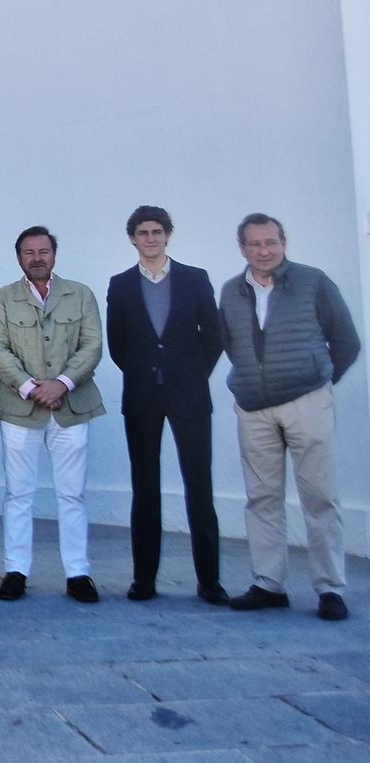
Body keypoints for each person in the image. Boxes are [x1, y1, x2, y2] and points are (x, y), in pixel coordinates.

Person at [220, 213, 360, 621]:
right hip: (254, 408)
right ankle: (268, 583)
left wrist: (317, 377)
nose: (264, 250)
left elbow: (346, 340)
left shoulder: (313, 282)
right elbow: (230, 343)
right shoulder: (231, 291)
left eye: (271, 242)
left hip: (307, 403)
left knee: (319, 497)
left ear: (284, 242)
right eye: (254, 243)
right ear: (242, 247)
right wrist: (251, 378)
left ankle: (330, 588)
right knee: (262, 498)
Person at [105, 205, 227, 605]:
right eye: (143, 232)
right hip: (142, 397)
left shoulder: (194, 279)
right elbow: (118, 344)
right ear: (133, 238)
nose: (151, 238)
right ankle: (144, 579)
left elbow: (213, 335)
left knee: (199, 487)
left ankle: (209, 580)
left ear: (168, 235)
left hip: (189, 396)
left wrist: (191, 375)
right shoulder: (120, 285)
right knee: (145, 489)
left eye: (157, 231)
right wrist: (148, 373)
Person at [0, 225, 105, 603]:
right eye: (29, 252)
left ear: (55, 254)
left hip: (71, 407)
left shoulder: (80, 295)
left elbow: (92, 345)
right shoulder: (1, 300)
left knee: (72, 494)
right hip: (21, 409)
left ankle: (78, 573)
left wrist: (63, 383)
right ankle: (16, 570)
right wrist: (30, 387)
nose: (37, 258)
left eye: (44, 251)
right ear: (19, 257)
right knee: (18, 493)